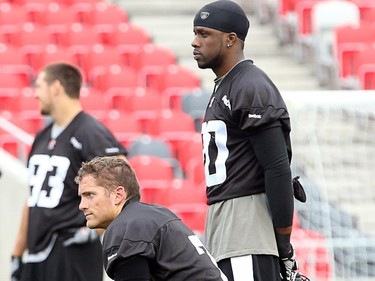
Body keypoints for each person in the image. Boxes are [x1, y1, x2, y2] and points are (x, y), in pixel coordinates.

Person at [192, 1, 300, 280]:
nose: (195, 42)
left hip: (246, 227)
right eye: (195, 33)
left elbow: (276, 168)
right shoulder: (226, 85)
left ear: (230, 40)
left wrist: (284, 246)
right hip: (226, 224)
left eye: (204, 34)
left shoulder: (249, 85)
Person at [11, 63, 128, 281]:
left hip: (72, 251)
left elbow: (124, 182)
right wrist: (17, 253)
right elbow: (33, 198)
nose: (35, 94)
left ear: (56, 87)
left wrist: (96, 230)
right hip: (37, 253)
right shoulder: (42, 136)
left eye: (39, 86)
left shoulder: (90, 132)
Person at [75, 156, 228, 281]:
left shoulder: (127, 226)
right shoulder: (156, 214)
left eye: (90, 195)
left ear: (118, 195)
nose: (82, 205)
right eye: (81, 197)